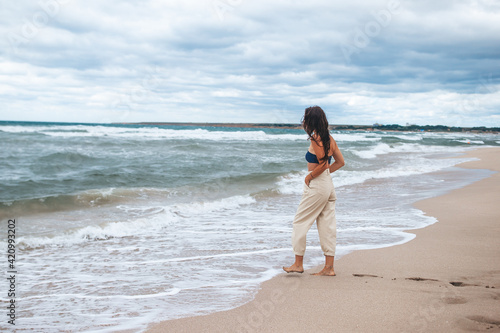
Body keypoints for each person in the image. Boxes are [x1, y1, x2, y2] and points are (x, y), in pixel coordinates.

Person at [283, 106, 345, 276]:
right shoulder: (329, 138)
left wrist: (310, 177)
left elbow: (323, 163)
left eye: (305, 117)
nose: (303, 121)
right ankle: (329, 267)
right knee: (327, 224)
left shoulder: (316, 138)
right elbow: (340, 162)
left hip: (317, 184)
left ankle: (298, 264)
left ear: (310, 120)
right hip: (327, 184)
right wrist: (325, 174)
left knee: (300, 222)